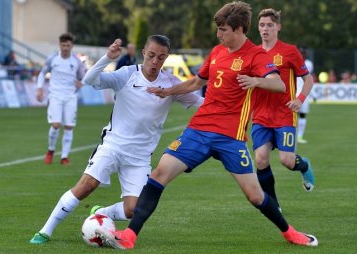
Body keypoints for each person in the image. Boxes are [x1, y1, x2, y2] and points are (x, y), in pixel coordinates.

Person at [97, 1, 318, 249]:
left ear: (239, 29)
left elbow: (278, 85)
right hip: (199, 130)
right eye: (219, 29)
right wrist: (167, 91)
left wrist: (256, 81)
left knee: (255, 196)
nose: (219, 34)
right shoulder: (217, 52)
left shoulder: (257, 55)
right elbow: (195, 83)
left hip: (230, 137)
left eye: (223, 29)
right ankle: (129, 236)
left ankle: (290, 233)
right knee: (159, 174)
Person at [29, 35, 204, 244]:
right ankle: (45, 231)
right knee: (86, 185)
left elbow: (201, 104)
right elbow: (90, 80)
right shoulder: (127, 75)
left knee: (133, 210)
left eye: (161, 57)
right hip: (113, 146)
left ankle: (102, 213)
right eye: (151, 55)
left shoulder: (171, 84)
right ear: (143, 53)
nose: (155, 62)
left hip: (140, 157)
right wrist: (106, 58)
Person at [252, 8, 316, 211]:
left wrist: (300, 99)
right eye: (262, 25)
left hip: (284, 114)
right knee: (261, 159)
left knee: (287, 161)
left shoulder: (289, 51)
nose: (265, 29)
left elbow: (308, 79)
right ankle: (272, 204)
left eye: (269, 25)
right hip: (261, 115)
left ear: (278, 27)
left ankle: (304, 165)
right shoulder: (253, 53)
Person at [36, 33, 85, 165]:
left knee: (69, 126)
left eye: (68, 45)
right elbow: (42, 73)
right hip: (55, 95)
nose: (65, 48)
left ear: (72, 46)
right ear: (60, 45)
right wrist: (40, 88)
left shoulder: (76, 61)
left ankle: (64, 157)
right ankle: (51, 150)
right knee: (56, 125)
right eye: (63, 45)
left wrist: (81, 83)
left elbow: (83, 77)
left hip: (70, 96)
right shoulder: (53, 58)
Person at [296, 47, 314, 144]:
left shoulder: (309, 64)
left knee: (303, 115)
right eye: (302, 53)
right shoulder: (293, 61)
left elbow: (309, 79)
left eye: (304, 53)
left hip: (305, 94)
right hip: (294, 93)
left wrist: (313, 93)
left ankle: (300, 136)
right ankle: (293, 135)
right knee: (293, 115)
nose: (303, 54)